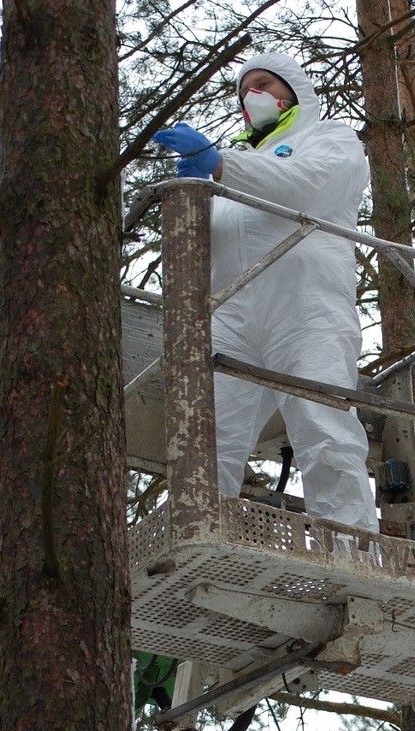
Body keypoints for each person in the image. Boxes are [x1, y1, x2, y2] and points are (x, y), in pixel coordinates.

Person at [154, 52, 379, 533]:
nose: (251, 96)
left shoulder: (327, 138)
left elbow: (307, 185)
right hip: (231, 310)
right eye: (243, 92)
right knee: (206, 439)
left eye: (262, 84)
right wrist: (194, 195)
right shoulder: (233, 165)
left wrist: (220, 166)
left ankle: (352, 554)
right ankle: (197, 545)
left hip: (305, 305)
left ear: (292, 91)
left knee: (323, 428)